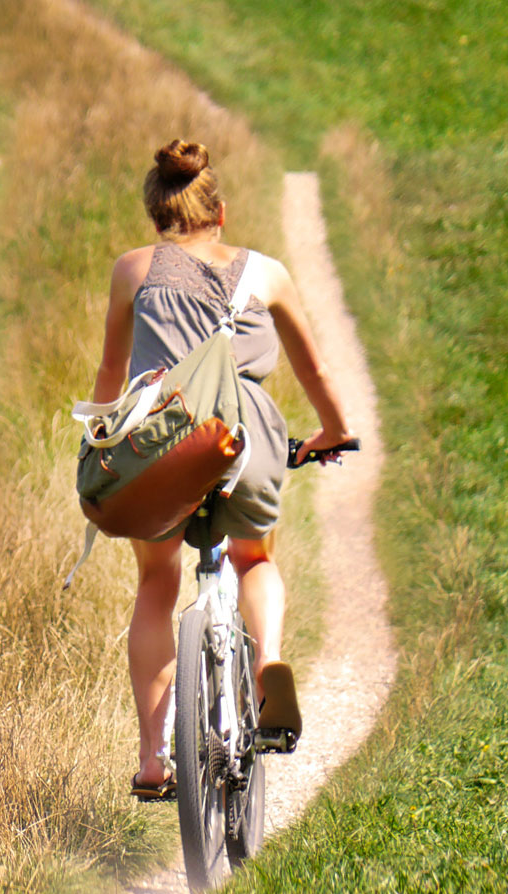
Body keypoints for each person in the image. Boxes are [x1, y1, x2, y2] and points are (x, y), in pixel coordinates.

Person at [89, 139, 357, 798]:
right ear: (222, 212)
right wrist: (335, 431)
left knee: (157, 582)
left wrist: (103, 436)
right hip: (246, 440)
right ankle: (267, 667)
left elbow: (108, 372)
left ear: (156, 216)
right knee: (253, 559)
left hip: (159, 439)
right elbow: (314, 369)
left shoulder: (132, 270)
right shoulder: (266, 274)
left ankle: (155, 757)